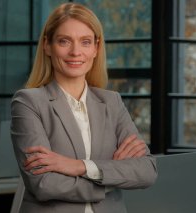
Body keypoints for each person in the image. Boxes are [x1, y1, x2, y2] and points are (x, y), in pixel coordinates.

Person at [10, 3, 157, 213]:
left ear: (96, 48)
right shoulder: (28, 102)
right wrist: (112, 175)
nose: (76, 52)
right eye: (64, 41)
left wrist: (78, 166)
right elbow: (44, 184)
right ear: (47, 46)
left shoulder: (112, 102)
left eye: (85, 42)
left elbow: (147, 171)